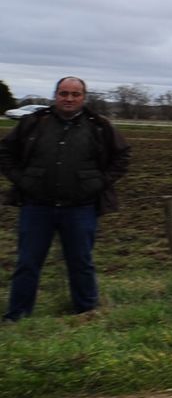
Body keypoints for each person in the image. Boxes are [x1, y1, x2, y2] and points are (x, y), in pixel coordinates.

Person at [1, 77, 132, 322]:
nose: (69, 99)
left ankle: (86, 313)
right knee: (27, 263)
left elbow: (122, 156)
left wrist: (99, 183)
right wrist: (22, 180)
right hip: (37, 207)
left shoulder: (99, 126)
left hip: (80, 208)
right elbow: (5, 152)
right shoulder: (34, 123)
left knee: (81, 262)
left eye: (75, 94)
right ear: (55, 95)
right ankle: (16, 316)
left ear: (83, 97)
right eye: (64, 93)